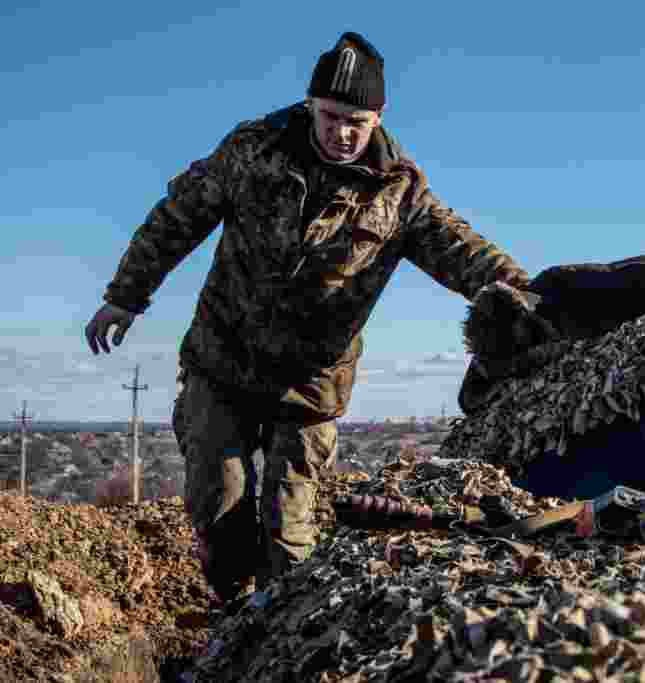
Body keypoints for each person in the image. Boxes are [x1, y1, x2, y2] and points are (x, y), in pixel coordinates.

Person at [84, 32, 530, 606]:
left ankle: (272, 641)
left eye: (356, 122)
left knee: (288, 536)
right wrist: (126, 295)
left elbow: (464, 252)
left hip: (311, 385)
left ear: (380, 116)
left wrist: (527, 297)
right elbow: (178, 216)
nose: (341, 133)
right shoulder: (254, 150)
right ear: (309, 104)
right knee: (219, 510)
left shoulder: (400, 193)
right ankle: (231, 617)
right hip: (223, 363)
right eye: (329, 116)